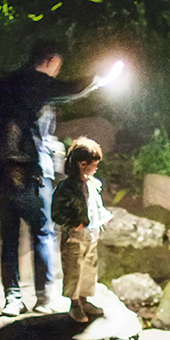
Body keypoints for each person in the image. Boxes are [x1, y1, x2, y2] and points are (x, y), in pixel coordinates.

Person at [0, 41, 101, 318]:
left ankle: (13, 299)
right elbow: (70, 90)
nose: (55, 74)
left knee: (10, 237)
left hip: (0, 175)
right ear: (50, 61)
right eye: (56, 67)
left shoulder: (2, 88)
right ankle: (45, 296)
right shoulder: (36, 84)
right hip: (33, 174)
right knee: (43, 233)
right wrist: (98, 79)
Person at [51, 136, 112, 323]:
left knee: (89, 269)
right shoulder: (67, 187)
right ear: (82, 164)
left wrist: (103, 215)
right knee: (74, 269)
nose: (96, 168)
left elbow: (96, 205)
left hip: (91, 236)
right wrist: (73, 222)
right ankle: (75, 303)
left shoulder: (92, 184)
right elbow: (57, 213)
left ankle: (85, 299)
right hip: (75, 237)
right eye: (94, 164)